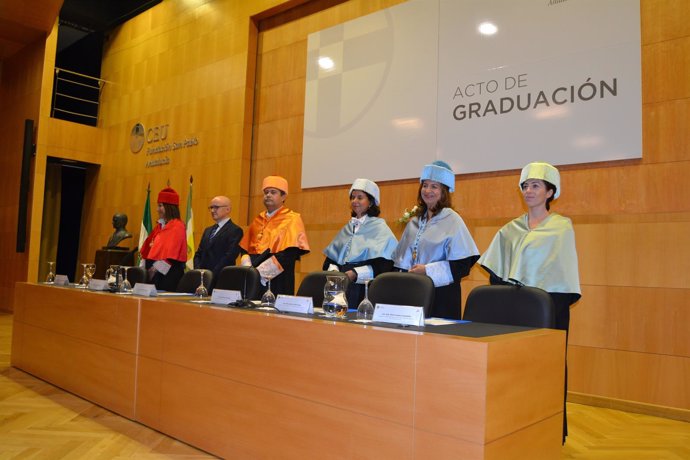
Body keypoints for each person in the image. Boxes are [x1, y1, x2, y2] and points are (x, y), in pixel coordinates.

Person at [477, 161, 580, 444]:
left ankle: (549, 430)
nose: (529, 191)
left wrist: (543, 305)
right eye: (525, 185)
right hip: (515, 312)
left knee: (547, 370)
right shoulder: (511, 229)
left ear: (550, 192)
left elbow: (563, 275)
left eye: (536, 186)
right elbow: (496, 272)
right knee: (513, 371)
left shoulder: (561, 227)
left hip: (550, 310)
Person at [392, 161, 479, 319]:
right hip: (412, 293)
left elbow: (463, 264)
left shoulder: (453, 220)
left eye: (434, 186)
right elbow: (400, 262)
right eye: (425, 185)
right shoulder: (414, 222)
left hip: (442, 297)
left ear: (444, 191)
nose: (428, 191)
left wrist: (427, 270)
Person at [323, 178, 398, 308]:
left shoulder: (379, 227)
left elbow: (385, 264)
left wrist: (355, 273)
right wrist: (334, 272)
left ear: (370, 202)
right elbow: (331, 259)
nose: (355, 201)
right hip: (340, 287)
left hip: (364, 288)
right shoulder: (348, 227)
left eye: (360, 197)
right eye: (352, 197)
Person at [239, 176, 310, 295]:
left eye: (273, 192)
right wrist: (247, 266)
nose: (268, 195)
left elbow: (290, 252)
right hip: (252, 275)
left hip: (278, 276)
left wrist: (260, 273)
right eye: (266, 192)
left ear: (283, 196)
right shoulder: (258, 219)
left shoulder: (292, 218)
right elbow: (244, 248)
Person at [140, 187, 187, 291]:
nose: (157, 209)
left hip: (168, 276)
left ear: (169, 207)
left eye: (160, 206)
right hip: (153, 275)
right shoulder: (159, 227)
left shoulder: (177, 226)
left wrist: (154, 270)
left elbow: (172, 254)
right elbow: (148, 248)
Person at [193, 196, 243, 285]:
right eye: (211, 207)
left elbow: (229, 256)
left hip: (221, 279)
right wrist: (199, 272)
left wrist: (211, 274)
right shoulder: (207, 230)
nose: (212, 211)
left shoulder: (235, 230)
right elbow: (198, 254)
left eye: (216, 207)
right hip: (202, 279)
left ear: (228, 209)